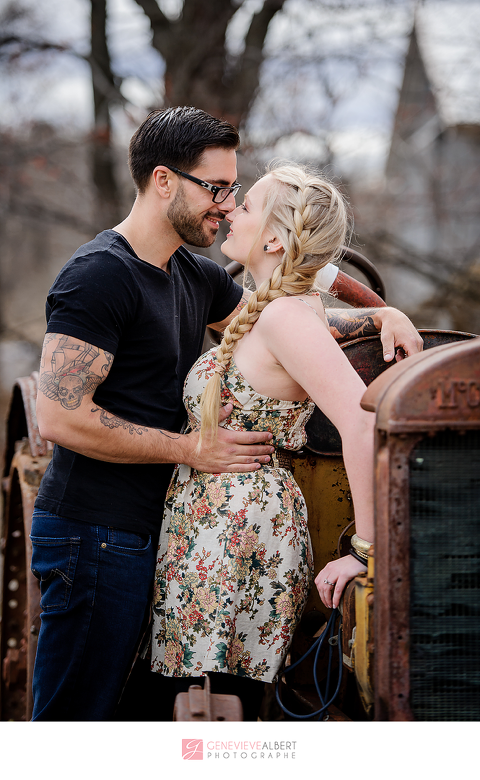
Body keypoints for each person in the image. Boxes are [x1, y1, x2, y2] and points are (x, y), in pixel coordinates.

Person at [31, 106, 422, 722]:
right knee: (75, 722)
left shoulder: (193, 274)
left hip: (170, 533)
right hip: (96, 532)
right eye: (216, 188)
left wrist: (381, 312)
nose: (226, 204)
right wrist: (190, 449)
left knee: (145, 723)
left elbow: (287, 300)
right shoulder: (99, 276)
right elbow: (57, 418)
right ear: (164, 181)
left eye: (235, 192)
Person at [149, 162, 390, 720]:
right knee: (198, 706)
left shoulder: (285, 317)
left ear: (276, 239)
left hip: (239, 534)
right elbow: (309, 278)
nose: (231, 210)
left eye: (248, 205)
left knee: (212, 708)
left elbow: (361, 422)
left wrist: (365, 553)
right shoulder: (276, 310)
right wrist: (382, 313)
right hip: (213, 530)